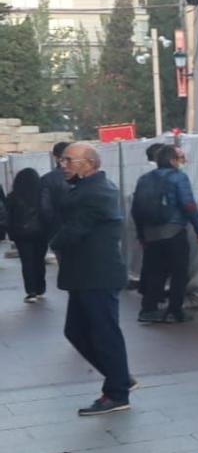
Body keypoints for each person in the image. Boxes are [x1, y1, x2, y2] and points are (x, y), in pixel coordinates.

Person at [51, 143, 134, 416]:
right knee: (75, 330)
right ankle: (119, 376)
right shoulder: (86, 188)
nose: (63, 165)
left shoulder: (97, 192)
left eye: (69, 160)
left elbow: (74, 230)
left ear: (88, 163)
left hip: (97, 274)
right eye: (62, 160)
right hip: (84, 275)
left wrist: (53, 242)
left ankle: (117, 392)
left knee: (104, 332)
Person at [133, 144, 198, 325]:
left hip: (150, 233)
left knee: (155, 272)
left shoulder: (144, 179)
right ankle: (174, 311)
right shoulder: (178, 177)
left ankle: (148, 310)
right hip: (173, 231)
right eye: (179, 159)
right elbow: (188, 204)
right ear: (173, 160)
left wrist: (141, 234)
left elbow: (136, 209)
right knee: (179, 272)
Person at [7, 167, 49, 303]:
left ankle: (31, 292)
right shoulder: (42, 194)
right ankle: (40, 288)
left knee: (27, 262)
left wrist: (11, 233)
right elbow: (47, 211)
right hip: (41, 233)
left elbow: (9, 217)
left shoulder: (12, 196)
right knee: (39, 260)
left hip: (21, 235)